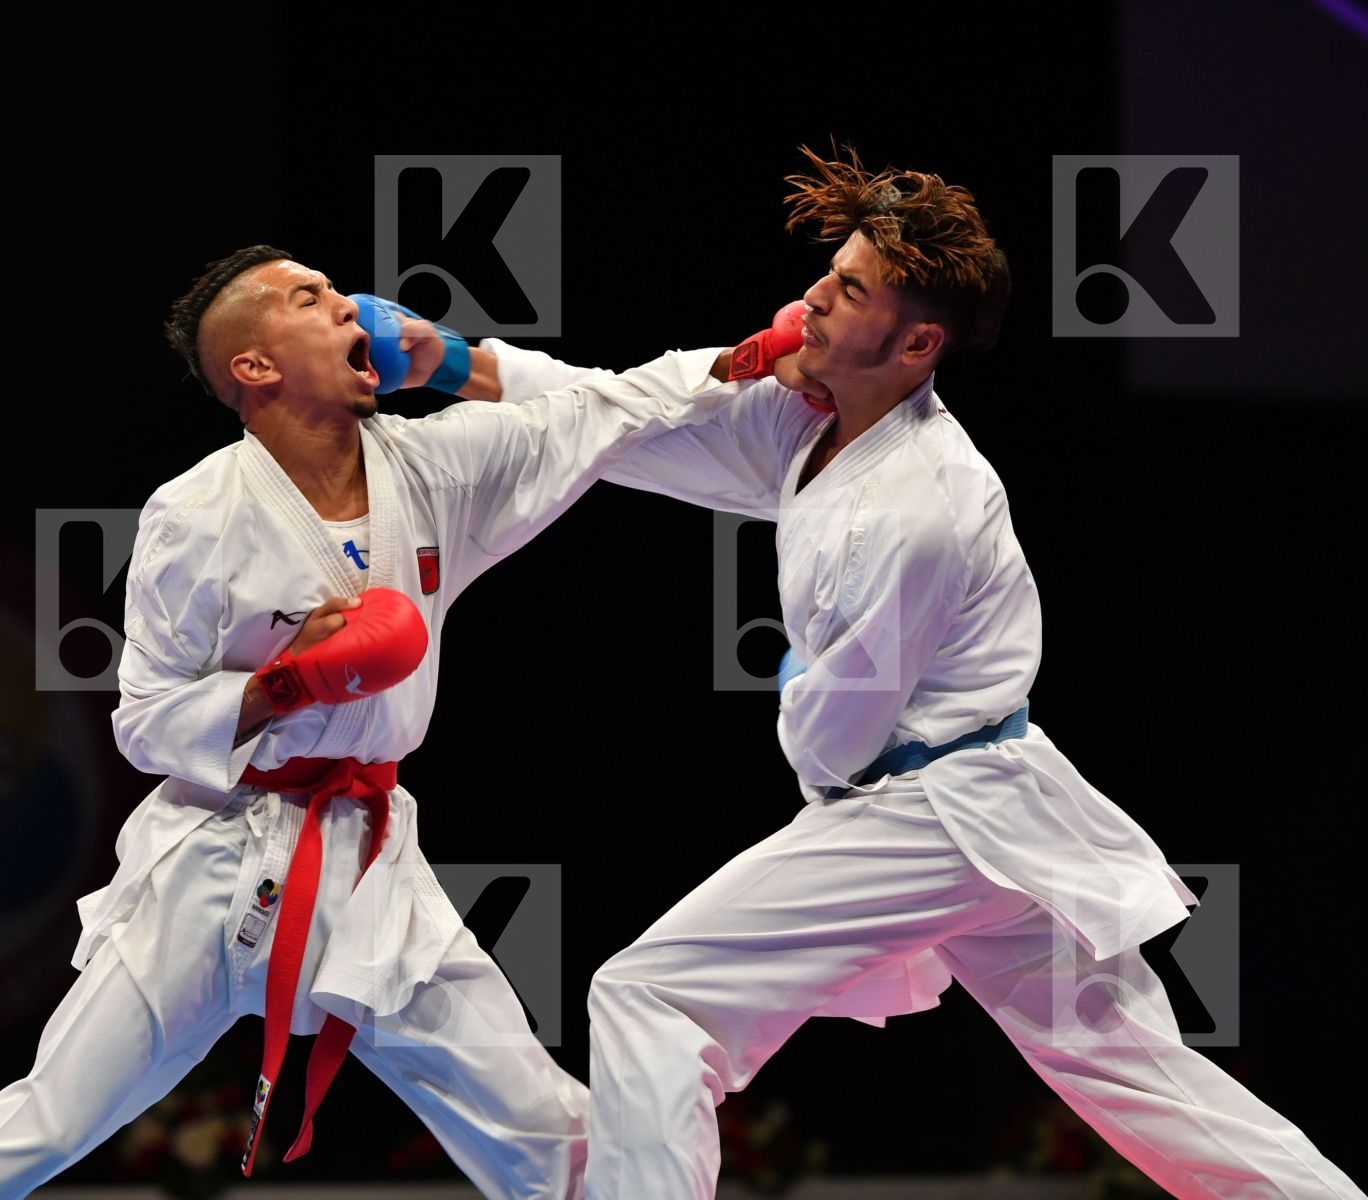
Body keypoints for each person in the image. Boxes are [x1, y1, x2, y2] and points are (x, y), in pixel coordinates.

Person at [468, 146, 1366, 1199]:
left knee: (654, 997)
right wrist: (456, 366)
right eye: (828, 272)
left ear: (917, 341)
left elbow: (835, 739)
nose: (810, 298)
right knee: (1139, 1076)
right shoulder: (812, 426)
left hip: (935, 807)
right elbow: (621, 425)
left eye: (846, 290)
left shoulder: (919, 507)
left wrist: (798, 700)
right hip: (994, 812)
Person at [0, 245, 744, 1199]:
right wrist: (285, 683)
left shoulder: (439, 468)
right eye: (313, 298)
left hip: (367, 859)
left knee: (552, 1134)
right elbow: (146, 721)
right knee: (39, 1129)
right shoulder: (194, 513)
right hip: (211, 866)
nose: (355, 310)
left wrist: (759, 358)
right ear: (254, 366)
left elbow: (606, 410)